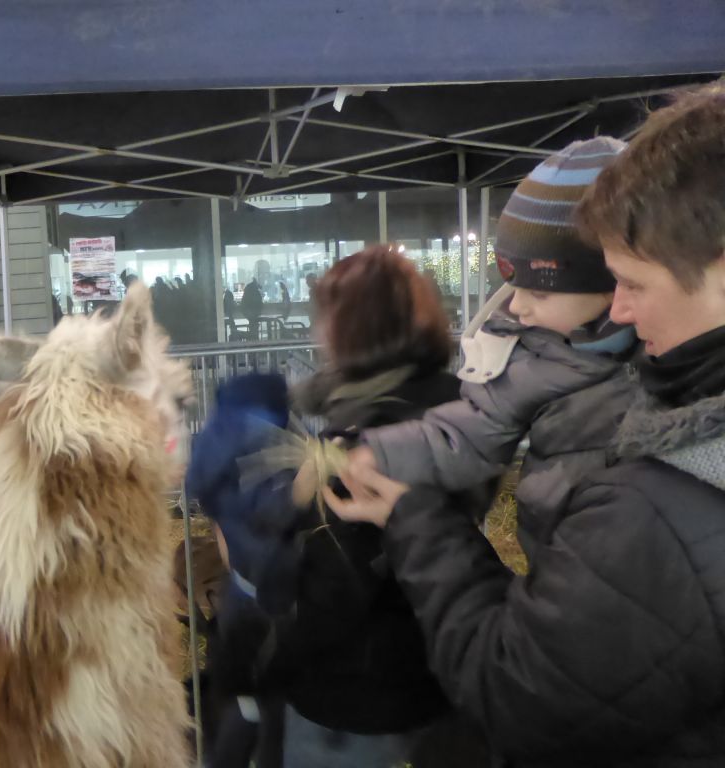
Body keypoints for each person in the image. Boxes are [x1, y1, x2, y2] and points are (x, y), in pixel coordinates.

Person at [326, 84, 725, 766]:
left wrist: (415, 516)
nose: (622, 310)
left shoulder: (657, 496)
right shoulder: (565, 364)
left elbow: (522, 695)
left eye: (633, 283)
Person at [187, 246, 491, 768]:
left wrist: (252, 654)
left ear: (355, 328)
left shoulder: (367, 442)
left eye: (327, 317)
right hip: (430, 666)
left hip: (352, 698)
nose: (318, 333)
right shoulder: (448, 409)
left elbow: (329, 589)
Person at [362, 137, 637, 563]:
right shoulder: (534, 352)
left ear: (616, 282)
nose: (518, 307)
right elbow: (470, 431)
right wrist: (375, 453)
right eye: (513, 286)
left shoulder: (672, 362)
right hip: (557, 558)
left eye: (539, 293)